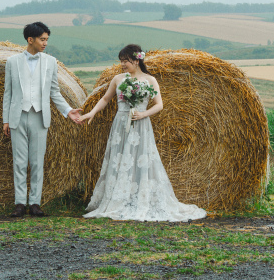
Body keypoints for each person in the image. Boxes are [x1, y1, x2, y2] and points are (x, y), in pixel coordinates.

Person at [78, 44, 206, 222]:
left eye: (126, 61)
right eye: (121, 61)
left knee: (140, 160)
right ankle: (118, 199)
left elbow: (159, 104)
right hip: (121, 124)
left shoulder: (150, 80)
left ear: (137, 60)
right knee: (120, 159)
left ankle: (139, 198)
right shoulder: (118, 79)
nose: (123, 64)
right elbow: (106, 99)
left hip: (141, 124)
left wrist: (143, 113)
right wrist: (91, 113)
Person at [2, 21, 82, 217]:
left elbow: (54, 92)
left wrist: (68, 110)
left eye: (47, 39)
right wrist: (6, 120)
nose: (45, 43)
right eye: (42, 39)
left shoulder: (51, 62)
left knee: (37, 161)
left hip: (40, 117)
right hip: (17, 117)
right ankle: (20, 203)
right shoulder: (12, 62)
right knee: (19, 162)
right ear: (31, 40)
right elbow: (8, 93)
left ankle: (35, 203)